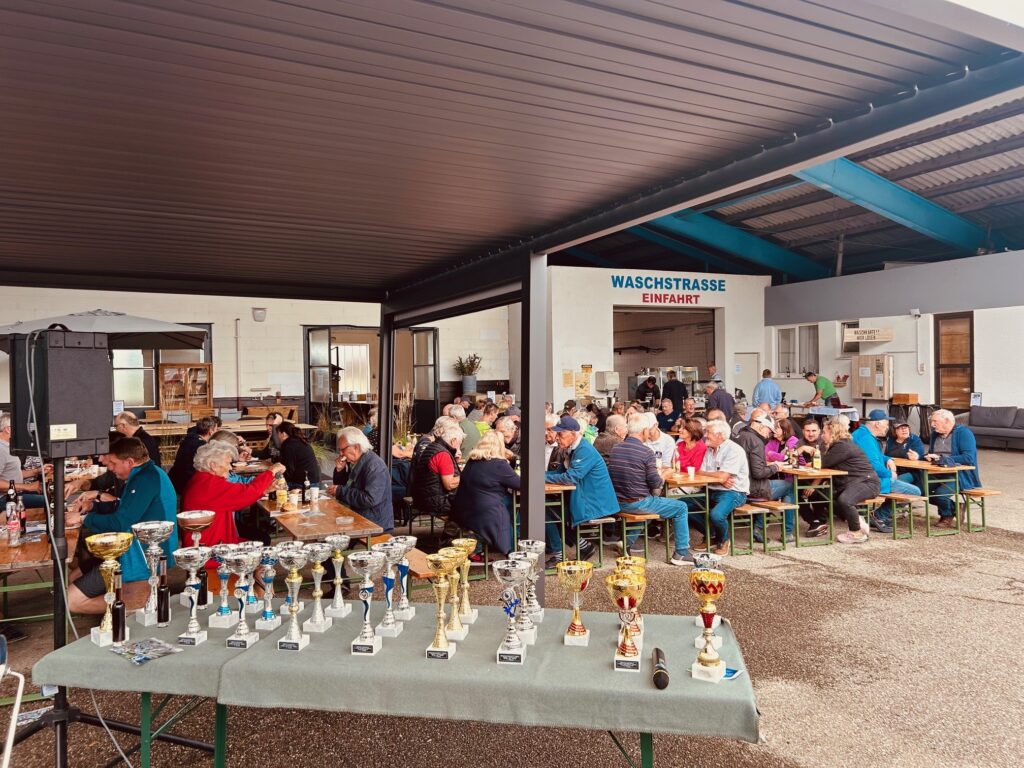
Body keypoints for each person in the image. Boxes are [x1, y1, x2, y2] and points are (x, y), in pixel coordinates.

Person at [65, 438, 178, 614]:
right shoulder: (146, 473)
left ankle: (136, 604)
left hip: (142, 555)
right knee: (74, 576)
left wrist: (83, 519)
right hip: (131, 548)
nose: (110, 467)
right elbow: (125, 507)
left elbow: (120, 522)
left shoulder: (145, 479)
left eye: (113, 463)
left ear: (129, 462)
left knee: (72, 601)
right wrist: (93, 506)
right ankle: (122, 605)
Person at [609, 419, 693, 565]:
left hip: (617, 502)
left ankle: (626, 542)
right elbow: (655, 483)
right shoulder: (646, 452)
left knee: (649, 509)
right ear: (644, 431)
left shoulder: (616, 448)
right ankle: (681, 553)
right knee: (681, 507)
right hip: (637, 502)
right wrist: (665, 475)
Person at [182, 440, 283, 551]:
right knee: (263, 548)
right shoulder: (210, 485)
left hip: (211, 543)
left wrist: (265, 490)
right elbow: (246, 493)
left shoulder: (202, 479)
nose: (230, 468)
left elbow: (238, 495)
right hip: (210, 548)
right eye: (228, 463)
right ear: (213, 465)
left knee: (260, 544)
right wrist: (270, 471)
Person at [545, 416, 615, 565]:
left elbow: (570, 478)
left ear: (572, 433)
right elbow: (559, 473)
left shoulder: (584, 450)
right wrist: (538, 475)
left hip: (595, 503)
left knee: (548, 509)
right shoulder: (572, 448)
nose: (557, 438)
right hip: (584, 497)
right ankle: (582, 547)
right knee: (549, 508)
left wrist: (540, 478)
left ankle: (560, 554)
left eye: (560, 434)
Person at [684, 420, 748, 556]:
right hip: (711, 489)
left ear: (720, 435)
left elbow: (723, 476)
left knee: (717, 515)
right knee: (683, 505)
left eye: (708, 432)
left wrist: (720, 477)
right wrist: (719, 479)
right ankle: (712, 535)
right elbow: (700, 472)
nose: (705, 435)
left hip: (733, 492)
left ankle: (724, 540)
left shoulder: (734, 450)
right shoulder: (709, 449)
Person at [452, 431, 520, 554]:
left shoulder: (472, 460)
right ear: (499, 446)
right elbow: (521, 485)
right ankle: (512, 549)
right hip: (484, 513)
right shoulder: (499, 464)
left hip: (463, 510)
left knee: (509, 503)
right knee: (513, 507)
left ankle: (502, 542)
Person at [853, 410, 920, 533]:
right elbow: (873, 464)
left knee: (906, 485)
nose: (887, 427)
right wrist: (890, 474)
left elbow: (875, 456)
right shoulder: (866, 438)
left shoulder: (862, 434)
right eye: (886, 424)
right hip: (870, 481)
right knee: (915, 491)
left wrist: (888, 459)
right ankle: (879, 515)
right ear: (877, 424)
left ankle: (880, 516)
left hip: (864, 478)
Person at [734, 415, 795, 542]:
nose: (769, 434)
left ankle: (759, 527)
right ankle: (787, 532)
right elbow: (759, 473)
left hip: (738, 485)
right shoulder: (756, 441)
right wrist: (775, 467)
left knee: (771, 488)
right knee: (789, 487)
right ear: (762, 426)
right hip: (752, 488)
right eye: (769, 430)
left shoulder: (738, 435)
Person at [819, 417, 878, 544]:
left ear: (833, 432)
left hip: (867, 483)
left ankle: (856, 533)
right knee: (823, 495)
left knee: (845, 500)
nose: (822, 435)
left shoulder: (842, 446)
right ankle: (858, 521)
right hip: (853, 483)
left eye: (824, 432)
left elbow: (821, 463)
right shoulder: (838, 444)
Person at [327, 427, 394, 532]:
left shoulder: (374, 466)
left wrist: (340, 491)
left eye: (342, 449)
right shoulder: (358, 461)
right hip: (360, 518)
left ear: (356, 447)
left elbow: (369, 499)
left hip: (374, 524)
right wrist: (340, 471)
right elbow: (347, 486)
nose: (340, 454)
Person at [924, 409, 980, 528]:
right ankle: (955, 507)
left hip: (959, 475)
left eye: (935, 421)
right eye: (932, 421)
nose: (932, 425)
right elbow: (932, 454)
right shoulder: (935, 434)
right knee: (920, 491)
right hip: (937, 472)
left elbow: (968, 458)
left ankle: (947, 515)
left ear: (947, 421)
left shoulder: (963, 433)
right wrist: (922, 456)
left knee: (940, 495)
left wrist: (942, 458)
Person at [411, 420, 463, 521]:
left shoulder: (433, 447)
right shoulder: (443, 454)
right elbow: (449, 484)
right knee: (474, 504)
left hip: (423, 497)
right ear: (453, 441)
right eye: (459, 444)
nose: (459, 447)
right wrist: (466, 475)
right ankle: (455, 528)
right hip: (437, 502)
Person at [0, 413, 50, 508]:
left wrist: (37, 470)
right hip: (5, 498)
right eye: (19, 428)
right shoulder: (1, 449)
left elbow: (13, 473)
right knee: (50, 502)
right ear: (8, 429)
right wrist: (27, 487)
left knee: (50, 495)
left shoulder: (8, 447)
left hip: (15, 493)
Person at [167, 415, 218, 496]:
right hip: (188, 484)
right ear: (210, 431)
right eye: (216, 430)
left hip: (175, 480)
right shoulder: (202, 446)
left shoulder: (188, 439)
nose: (217, 432)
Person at [275, 421, 321, 489]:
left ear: (283, 434)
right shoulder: (301, 441)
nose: (277, 437)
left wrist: (275, 475)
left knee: (273, 486)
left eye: (278, 434)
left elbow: (288, 471)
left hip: (301, 484)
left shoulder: (288, 445)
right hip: (314, 482)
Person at [886, 420, 926, 488]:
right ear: (894, 431)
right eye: (900, 428)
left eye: (906, 427)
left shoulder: (914, 439)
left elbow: (921, 455)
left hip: (911, 472)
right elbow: (886, 455)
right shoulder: (890, 440)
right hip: (893, 469)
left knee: (896, 482)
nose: (904, 430)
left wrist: (917, 456)